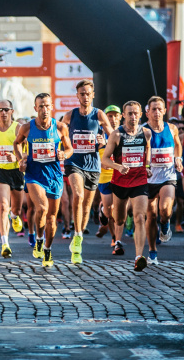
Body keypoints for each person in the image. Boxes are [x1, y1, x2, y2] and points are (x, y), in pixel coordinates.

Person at [14, 93, 74, 268]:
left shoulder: (61, 128)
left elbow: (69, 148)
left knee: (52, 217)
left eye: (47, 106)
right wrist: (20, 159)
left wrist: (65, 154)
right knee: (42, 208)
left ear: (51, 107)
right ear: (35, 108)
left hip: (54, 175)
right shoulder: (26, 127)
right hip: (34, 175)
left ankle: (46, 248)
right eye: (40, 106)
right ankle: (39, 238)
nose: (44, 109)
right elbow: (17, 143)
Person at [60, 80, 114, 264]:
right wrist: (62, 146)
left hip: (92, 165)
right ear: (77, 95)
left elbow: (113, 136)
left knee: (86, 206)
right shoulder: (69, 115)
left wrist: (104, 140)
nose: (85, 97)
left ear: (93, 95)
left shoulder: (99, 115)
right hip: (73, 162)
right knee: (78, 195)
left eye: (88, 93)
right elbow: (57, 133)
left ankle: (78, 238)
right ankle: (75, 234)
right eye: (82, 94)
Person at [100, 101, 152, 272]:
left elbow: (147, 154)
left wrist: (148, 168)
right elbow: (105, 159)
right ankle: (118, 238)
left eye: (136, 113)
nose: (133, 116)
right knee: (119, 218)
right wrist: (118, 167)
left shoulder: (146, 133)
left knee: (139, 217)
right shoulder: (116, 135)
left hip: (139, 180)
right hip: (120, 182)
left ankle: (138, 257)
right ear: (124, 115)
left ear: (141, 115)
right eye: (129, 113)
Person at [144, 96, 184, 265]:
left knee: (165, 209)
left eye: (160, 109)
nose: (157, 112)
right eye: (154, 109)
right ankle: (152, 252)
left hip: (168, 175)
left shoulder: (172, 128)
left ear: (165, 111)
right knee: (151, 216)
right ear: (147, 112)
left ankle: (166, 223)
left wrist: (178, 158)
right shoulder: (143, 130)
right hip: (149, 178)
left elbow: (177, 145)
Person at [0, 99, 24, 258]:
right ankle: (5, 243)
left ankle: (15, 217)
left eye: (6, 110)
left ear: (12, 112)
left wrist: (16, 158)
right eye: (1, 110)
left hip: (16, 172)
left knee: (16, 209)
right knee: (3, 206)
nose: (4, 113)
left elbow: (28, 152)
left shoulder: (19, 129)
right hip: (0, 173)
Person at [96, 105, 121, 249]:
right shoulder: (99, 134)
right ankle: (115, 238)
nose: (112, 119)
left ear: (120, 117)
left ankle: (103, 213)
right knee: (110, 211)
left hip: (121, 175)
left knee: (122, 210)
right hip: (105, 177)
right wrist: (100, 145)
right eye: (109, 116)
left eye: (115, 116)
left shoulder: (123, 133)